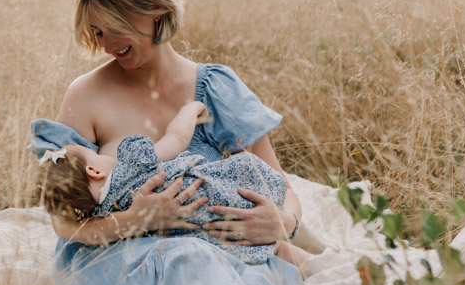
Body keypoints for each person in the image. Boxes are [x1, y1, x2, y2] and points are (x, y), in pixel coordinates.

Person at [28, 0, 351, 285]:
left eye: (115, 28)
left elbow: (279, 183)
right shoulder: (85, 95)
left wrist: (282, 224)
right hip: (122, 257)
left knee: (232, 278)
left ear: (154, 12)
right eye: (96, 31)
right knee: (188, 264)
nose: (105, 43)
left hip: (219, 244)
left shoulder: (217, 88)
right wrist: (136, 220)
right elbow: (62, 218)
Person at [37, 99, 301, 266]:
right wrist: (190, 109)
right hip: (223, 196)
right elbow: (176, 138)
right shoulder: (132, 164)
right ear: (94, 170)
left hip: (207, 240)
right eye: (93, 152)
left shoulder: (102, 216)